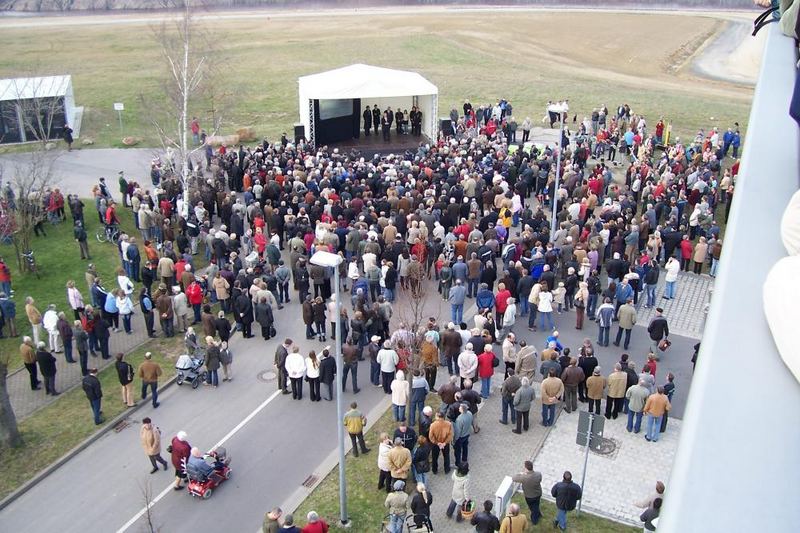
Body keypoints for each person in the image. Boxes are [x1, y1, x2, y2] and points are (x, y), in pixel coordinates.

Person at [512, 460, 543, 525]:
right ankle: (539, 514)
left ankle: (535, 520)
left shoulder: (524, 477)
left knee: (533, 508)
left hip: (529, 496)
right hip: (538, 493)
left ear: (526, 468)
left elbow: (514, 478)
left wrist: (521, 473)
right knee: (536, 504)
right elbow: (540, 480)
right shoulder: (538, 474)